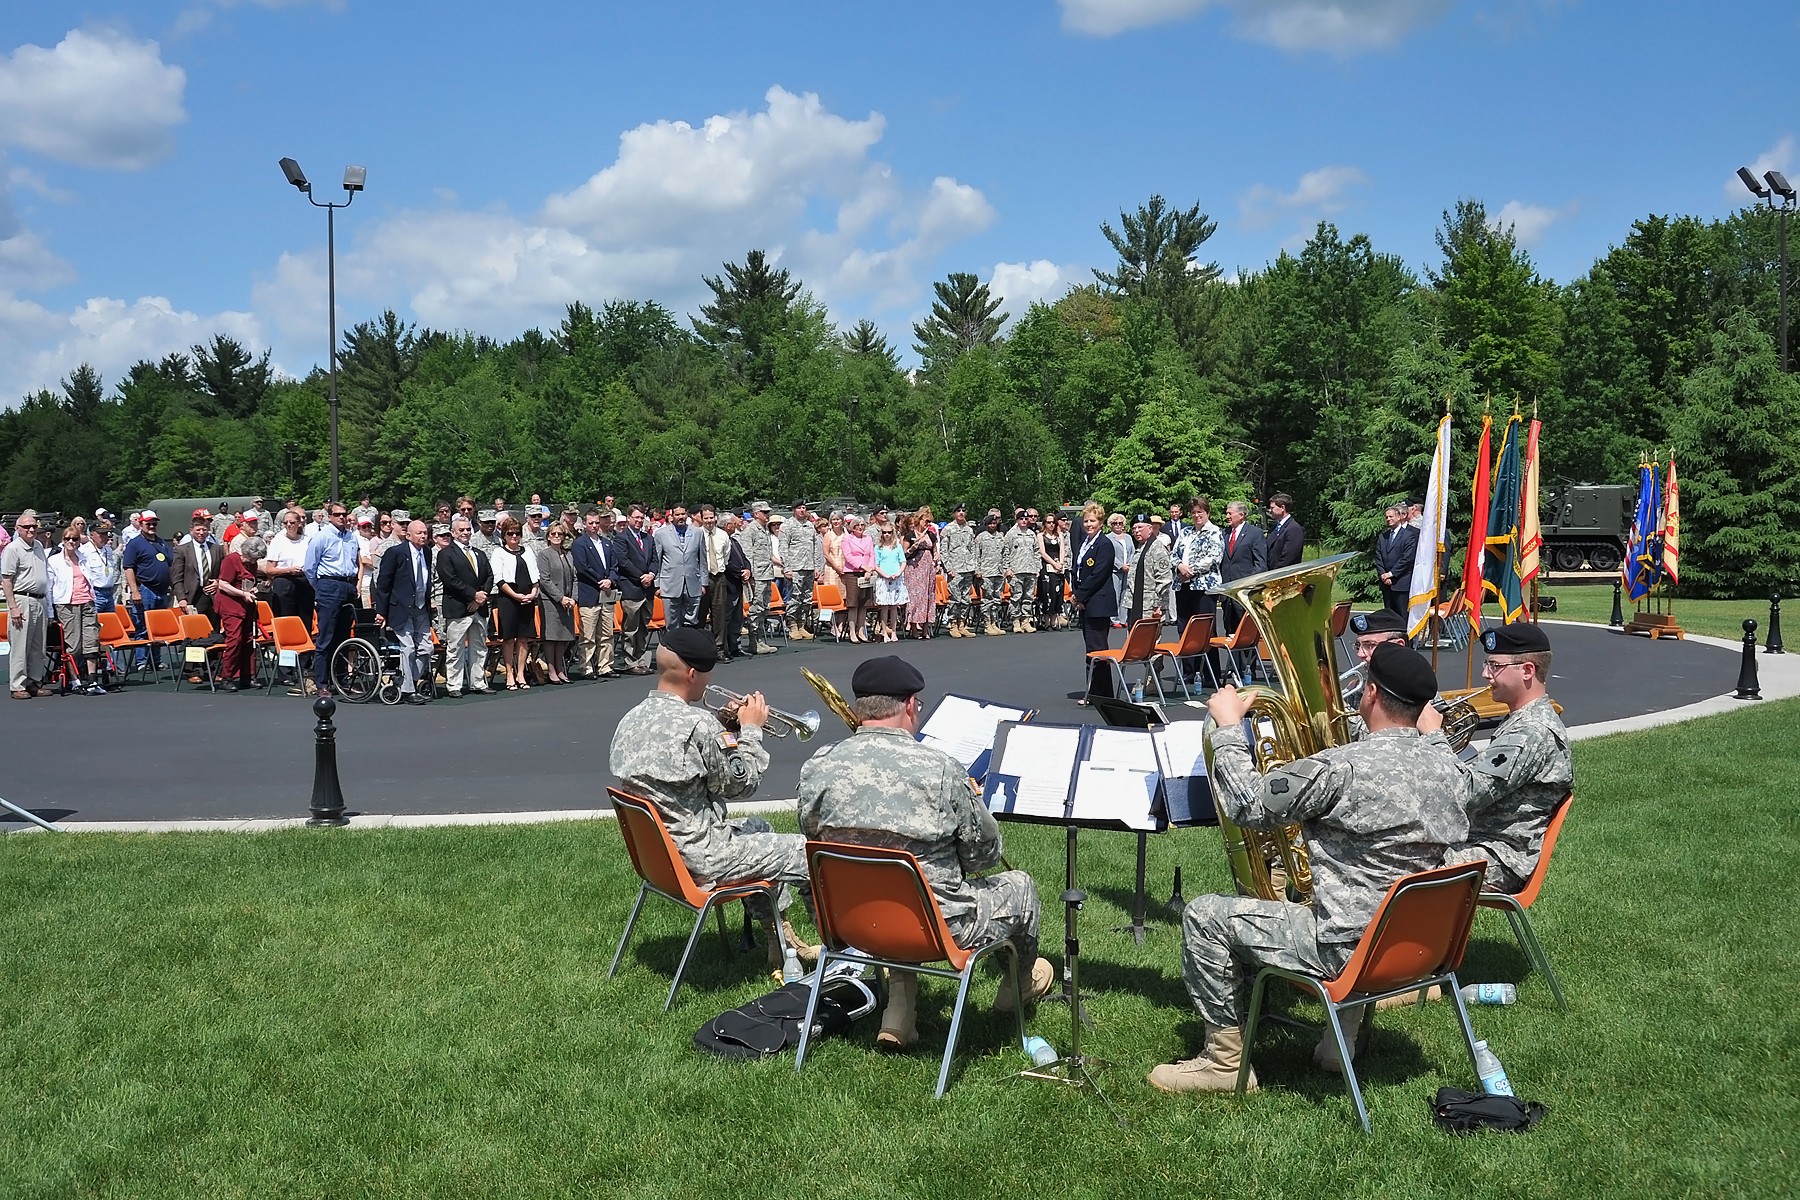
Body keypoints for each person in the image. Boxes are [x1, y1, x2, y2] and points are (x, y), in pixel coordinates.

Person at [1150, 644, 1469, 1094]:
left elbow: (1247, 803)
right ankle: (1341, 1043)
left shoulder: (1340, 769)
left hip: (1348, 950)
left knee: (1204, 917)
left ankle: (1223, 1065)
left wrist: (1226, 729)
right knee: (1360, 896)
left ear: (1371, 694)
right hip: (1416, 949)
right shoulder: (1451, 765)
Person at [797, 655, 1055, 1048]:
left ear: (858, 708)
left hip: (848, 923)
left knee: (898, 885)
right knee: (1020, 886)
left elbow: (812, 836)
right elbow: (984, 855)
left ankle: (899, 1010)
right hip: (935, 929)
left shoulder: (817, 764)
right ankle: (1016, 989)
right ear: (912, 705)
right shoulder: (940, 768)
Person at [610, 626, 816, 967]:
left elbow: (690, 764)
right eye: (707, 675)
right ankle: (843, 954)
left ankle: (779, 938)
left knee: (760, 828)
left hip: (662, 857)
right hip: (703, 857)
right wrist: (750, 730)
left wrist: (724, 725)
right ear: (693, 673)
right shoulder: (698, 725)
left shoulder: (631, 720)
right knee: (805, 852)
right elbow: (742, 785)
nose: (708, 683)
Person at [1427, 623, 1573, 896]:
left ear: (1528, 670)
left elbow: (1467, 794)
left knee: (1396, 861)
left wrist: (1434, 734)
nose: (1485, 674)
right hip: (1479, 840)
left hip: (1500, 856)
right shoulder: (1519, 722)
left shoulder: (1532, 731)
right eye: (1486, 664)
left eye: (1495, 666)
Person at [373, 519, 436, 704]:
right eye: (419, 533)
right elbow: (383, 584)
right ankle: (408, 690)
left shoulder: (427, 552)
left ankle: (408, 680)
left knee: (427, 648)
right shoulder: (395, 553)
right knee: (408, 648)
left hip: (421, 607)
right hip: (400, 607)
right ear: (408, 535)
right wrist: (381, 611)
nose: (423, 536)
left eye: (425, 533)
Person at [302, 503, 361, 698]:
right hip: (329, 584)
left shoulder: (351, 537)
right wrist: (320, 588)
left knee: (344, 637)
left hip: (347, 585)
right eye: (337, 515)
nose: (342, 518)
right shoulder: (321, 537)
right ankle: (322, 683)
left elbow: (355, 562)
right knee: (325, 637)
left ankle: (341, 680)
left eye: (344, 514)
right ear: (329, 516)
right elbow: (309, 567)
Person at [438, 514, 494, 696]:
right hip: (458, 607)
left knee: (479, 646)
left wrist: (480, 599)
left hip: (479, 608)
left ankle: (478, 682)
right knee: (455, 648)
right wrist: (472, 595)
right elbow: (450, 580)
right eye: (461, 530)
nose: (465, 532)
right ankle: (454, 685)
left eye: (468, 529)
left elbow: (489, 576)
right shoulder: (445, 554)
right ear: (453, 533)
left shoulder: (479, 553)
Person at [1173, 497, 1224, 687]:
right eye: (1194, 512)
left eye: (1200, 512)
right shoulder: (1185, 532)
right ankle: (1189, 672)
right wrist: (1179, 566)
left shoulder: (1214, 532)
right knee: (1184, 629)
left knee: (1206, 630)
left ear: (1207, 513)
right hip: (1182, 585)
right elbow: (1174, 554)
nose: (1196, 516)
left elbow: (1214, 558)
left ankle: (1211, 675)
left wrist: (1191, 570)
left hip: (1204, 586)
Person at [1070, 502, 1118, 700]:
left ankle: (1101, 693)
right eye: (1086, 521)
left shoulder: (1104, 544)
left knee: (1098, 650)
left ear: (1101, 522)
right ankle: (1095, 691)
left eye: (1093, 521)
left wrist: (1080, 595)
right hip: (1086, 602)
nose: (1089, 524)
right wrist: (1076, 592)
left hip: (1098, 602)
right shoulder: (1085, 542)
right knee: (1091, 649)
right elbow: (1079, 569)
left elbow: (1099, 574)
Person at [489, 516, 541, 690]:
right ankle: (509, 673)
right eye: (510, 533)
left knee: (524, 639)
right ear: (504, 535)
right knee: (509, 639)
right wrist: (516, 596)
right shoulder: (499, 552)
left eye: (517, 533)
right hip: (508, 599)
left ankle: (521, 673)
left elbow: (535, 575)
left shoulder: (528, 551)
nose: (514, 537)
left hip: (527, 598)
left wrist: (533, 593)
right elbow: (499, 579)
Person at [572, 508, 620, 678]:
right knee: (588, 635)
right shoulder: (579, 544)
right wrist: (601, 581)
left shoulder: (607, 543)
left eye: (596, 523)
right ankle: (586, 667)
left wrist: (610, 581)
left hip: (606, 595)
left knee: (607, 633)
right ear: (584, 524)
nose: (594, 526)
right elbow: (583, 567)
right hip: (590, 594)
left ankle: (605, 666)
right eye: (590, 523)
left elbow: (615, 566)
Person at [214, 535, 264, 692]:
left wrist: (254, 589)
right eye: (253, 558)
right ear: (246, 553)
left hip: (247, 606)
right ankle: (226, 676)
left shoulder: (252, 564)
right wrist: (243, 593)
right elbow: (223, 584)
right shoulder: (230, 560)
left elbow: (251, 581)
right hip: (231, 606)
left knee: (248, 640)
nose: (254, 562)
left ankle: (247, 676)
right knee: (234, 640)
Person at [613, 506, 658, 675]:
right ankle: (630, 662)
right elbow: (624, 562)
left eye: (641, 518)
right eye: (636, 518)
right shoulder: (621, 538)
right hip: (632, 588)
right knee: (631, 628)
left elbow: (655, 559)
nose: (639, 521)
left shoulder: (648, 538)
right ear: (629, 518)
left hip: (648, 590)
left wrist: (651, 575)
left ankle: (640, 659)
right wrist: (642, 577)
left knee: (644, 627)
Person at [652, 504, 706, 630]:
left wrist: (703, 583)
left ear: (687, 515)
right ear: (672, 516)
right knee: (672, 623)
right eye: (677, 514)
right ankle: (672, 648)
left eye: (683, 514)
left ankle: (688, 648)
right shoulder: (661, 534)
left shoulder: (697, 533)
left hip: (693, 584)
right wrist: (657, 584)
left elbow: (702, 560)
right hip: (670, 584)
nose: (680, 517)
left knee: (691, 622)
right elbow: (657, 561)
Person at [536, 521, 577, 684]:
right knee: (551, 637)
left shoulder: (568, 554)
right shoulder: (544, 555)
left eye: (560, 534)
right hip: (550, 601)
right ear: (548, 536)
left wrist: (573, 597)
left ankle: (560, 669)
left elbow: (575, 577)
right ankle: (552, 670)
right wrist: (560, 597)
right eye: (553, 534)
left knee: (564, 636)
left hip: (567, 601)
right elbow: (544, 580)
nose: (557, 537)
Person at [169, 509, 223, 623]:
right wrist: (181, 598)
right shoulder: (182, 550)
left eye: (204, 530)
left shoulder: (217, 549)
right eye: (198, 530)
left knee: (215, 631)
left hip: (213, 596)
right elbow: (176, 577)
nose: (201, 533)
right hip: (193, 596)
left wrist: (218, 582)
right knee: (196, 631)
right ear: (191, 531)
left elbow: (224, 572)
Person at [741, 502, 781, 654]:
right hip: (757, 576)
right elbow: (747, 554)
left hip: (766, 574)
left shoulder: (764, 530)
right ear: (756, 514)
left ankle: (759, 639)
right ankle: (753, 642)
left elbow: (768, 554)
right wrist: (750, 574)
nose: (767, 515)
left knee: (764, 608)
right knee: (755, 609)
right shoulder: (750, 530)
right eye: (764, 512)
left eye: (768, 512)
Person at [778, 502, 821, 639]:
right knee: (794, 597)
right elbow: (783, 548)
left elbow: (815, 547)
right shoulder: (787, 526)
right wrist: (787, 568)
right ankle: (792, 626)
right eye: (799, 508)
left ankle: (802, 624)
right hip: (795, 567)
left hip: (809, 567)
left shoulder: (810, 526)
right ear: (793, 510)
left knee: (807, 598)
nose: (802, 510)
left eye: (804, 508)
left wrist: (817, 566)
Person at [1125, 514, 1172, 628]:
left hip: (1150, 608)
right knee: (1135, 642)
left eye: (1140, 528)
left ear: (1150, 529)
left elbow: (1164, 579)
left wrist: (1158, 605)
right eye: (1134, 528)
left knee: (1148, 641)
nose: (1136, 531)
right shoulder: (1141, 548)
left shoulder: (1157, 548)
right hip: (1136, 604)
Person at [1374, 504, 1419, 621]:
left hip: (1401, 583)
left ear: (1399, 517)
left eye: (1391, 517)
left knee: (1402, 616)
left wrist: (1391, 574)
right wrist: (1383, 574)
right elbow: (1378, 557)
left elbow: (1407, 559)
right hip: (1386, 583)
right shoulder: (1383, 537)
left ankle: (1406, 639)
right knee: (1389, 616)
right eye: (1386, 517)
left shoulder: (1408, 536)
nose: (1388, 519)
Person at [939, 503, 977, 638]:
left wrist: (974, 566)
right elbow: (944, 551)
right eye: (958, 511)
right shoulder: (948, 529)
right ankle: (953, 624)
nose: (961, 513)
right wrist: (949, 568)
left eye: (963, 511)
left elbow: (973, 549)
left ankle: (962, 624)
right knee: (955, 598)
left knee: (966, 598)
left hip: (968, 568)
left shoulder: (969, 530)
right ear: (954, 513)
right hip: (955, 568)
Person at [901, 506, 937, 639]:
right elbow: (904, 554)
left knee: (928, 596)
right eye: (925, 521)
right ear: (919, 520)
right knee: (915, 597)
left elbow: (934, 550)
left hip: (928, 569)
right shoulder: (910, 535)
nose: (927, 524)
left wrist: (936, 556)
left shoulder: (931, 535)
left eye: (929, 521)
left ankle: (926, 628)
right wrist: (914, 546)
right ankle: (914, 628)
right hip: (914, 569)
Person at [1002, 508, 1040, 634]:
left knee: (1028, 597)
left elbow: (1036, 552)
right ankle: (1016, 620)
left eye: (1025, 519)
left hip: (1030, 570)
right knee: (1016, 597)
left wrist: (1037, 567)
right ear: (1016, 520)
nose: (1024, 521)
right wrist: (1007, 569)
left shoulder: (1031, 534)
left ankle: (1026, 621)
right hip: (1016, 570)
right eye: (1021, 519)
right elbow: (1005, 552)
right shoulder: (1011, 534)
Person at [839, 513, 875, 645]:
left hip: (866, 574)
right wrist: (862, 566)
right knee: (853, 604)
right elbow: (848, 556)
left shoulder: (868, 539)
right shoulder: (846, 539)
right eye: (857, 525)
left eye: (862, 525)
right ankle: (852, 632)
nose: (860, 527)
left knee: (864, 603)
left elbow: (872, 554)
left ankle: (861, 630)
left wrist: (869, 569)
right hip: (853, 573)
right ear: (852, 527)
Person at [872, 524, 908, 643]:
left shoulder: (897, 546)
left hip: (896, 578)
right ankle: (884, 631)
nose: (886, 535)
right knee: (884, 606)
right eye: (884, 532)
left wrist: (898, 573)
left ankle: (893, 631)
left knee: (894, 607)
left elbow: (903, 561)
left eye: (889, 532)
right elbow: (876, 565)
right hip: (884, 578)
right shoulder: (878, 547)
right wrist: (885, 575)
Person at [974, 511, 1007, 635]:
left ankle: (994, 622)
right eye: (990, 523)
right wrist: (978, 571)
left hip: (998, 572)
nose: (992, 525)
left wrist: (1005, 569)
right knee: (987, 599)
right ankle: (987, 623)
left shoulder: (1001, 536)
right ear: (986, 524)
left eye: (994, 523)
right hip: (986, 573)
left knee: (996, 599)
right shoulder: (981, 537)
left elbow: (1005, 554)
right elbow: (976, 555)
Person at [1036, 513, 1069, 631]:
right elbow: (1042, 552)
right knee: (1047, 592)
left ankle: (1054, 621)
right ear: (1044, 523)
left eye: (1053, 522)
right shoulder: (1041, 536)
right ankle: (1047, 621)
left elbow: (1062, 550)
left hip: (1058, 567)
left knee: (1057, 592)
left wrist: (1060, 563)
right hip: (1047, 566)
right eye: (1048, 522)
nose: (1051, 525)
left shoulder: (1059, 535)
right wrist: (1053, 563)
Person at [820, 511, 847, 641]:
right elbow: (826, 554)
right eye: (834, 519)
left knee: (843, 598)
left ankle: (841, 625)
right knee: (832, 599)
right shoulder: (828, 535)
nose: (836, 521)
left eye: (838, 519)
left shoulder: (846, 534)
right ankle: (833, 625)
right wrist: (836, 567)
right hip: (832, 569)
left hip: (845, 569)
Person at [1106, 512, 1133, 628]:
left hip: (1128, 569)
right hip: (1115, 571)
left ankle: (1123, 619)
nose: (1117, 525)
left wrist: (1130, 564)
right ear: (1111, 525)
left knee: (1125, 594)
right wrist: (1120, 565)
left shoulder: (1128, 537)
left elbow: (1132, 551)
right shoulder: (1108, 538)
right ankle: (1114, 619)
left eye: (1120, 523)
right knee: (1115, 594)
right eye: (1115, 523)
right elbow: (1109, 554)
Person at [1265, 493, 1305, 570]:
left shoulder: (1294, 529)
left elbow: (1289, 557)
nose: (1270, 511)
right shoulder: (1273, 529)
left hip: (1285, 575)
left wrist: (1274, 572)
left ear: (1282, 507)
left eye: (1272, 508)